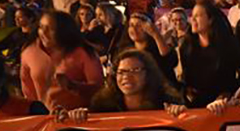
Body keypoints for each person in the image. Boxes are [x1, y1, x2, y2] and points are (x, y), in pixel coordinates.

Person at [59, 49, 187, 122]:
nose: (126, 76)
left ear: (148, 74)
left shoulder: (166, 102)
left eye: (135, 71)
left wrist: (180, 113)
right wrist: (78, 116)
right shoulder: (102, 105)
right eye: (121, 72)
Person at [20, 10, 104, 111]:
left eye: (51, 29)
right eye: (41, 27)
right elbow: (28, 92)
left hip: (78, 119)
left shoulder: (83, 52)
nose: (44, 33)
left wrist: (73, 86)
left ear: (64, 31)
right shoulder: (29, 53)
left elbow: (99, 90)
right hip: (45, 121)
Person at [178, 1, 240, 108]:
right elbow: (185, 75)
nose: (192, 20)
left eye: (197, 16)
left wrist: (228, 92)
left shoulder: (228, 44)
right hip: (195, 105)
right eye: (192, 16)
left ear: (210, 19)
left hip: (221, 105)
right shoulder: (187, 45)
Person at [120, 12, 178, 86]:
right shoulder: (125, 51)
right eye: (131, 25)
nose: (134, 29)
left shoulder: (158, 47)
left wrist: (155, 34)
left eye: (139, 26)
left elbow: (169, 60)